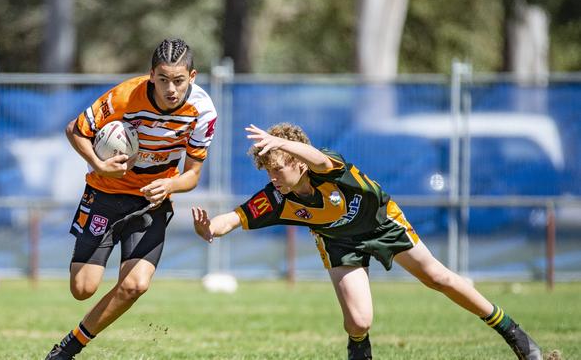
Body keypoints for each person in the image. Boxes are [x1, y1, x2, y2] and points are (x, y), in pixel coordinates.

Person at [191, 123, 542, 360]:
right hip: (340, 244)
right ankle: (360, 351)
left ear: (297, 161)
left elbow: (317, 157)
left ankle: (514, 334)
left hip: (381, 222)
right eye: (267, 170)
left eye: (278, 168)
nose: (273, 177)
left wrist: (285, 143)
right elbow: (234, 218)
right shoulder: (278, 197)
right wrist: (210, 229)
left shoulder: (324, 164)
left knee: (438, 277)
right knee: (359, 322)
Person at [45, 38, 217, 360]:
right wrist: (99, 165)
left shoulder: (203, 112)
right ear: (151, 74)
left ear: (192, 77)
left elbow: (192, 175)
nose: (171, 88)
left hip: (152, 200)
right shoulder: (125, 96)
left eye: (179, 80)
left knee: (135, 285)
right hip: (105, 193)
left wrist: (170, 186)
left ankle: (69, 348)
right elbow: (75, 130)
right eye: (163, 79)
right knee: (82, 288)